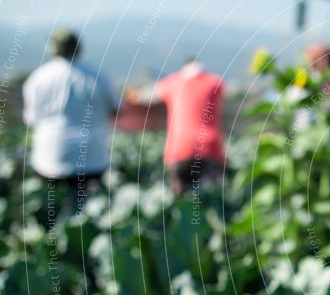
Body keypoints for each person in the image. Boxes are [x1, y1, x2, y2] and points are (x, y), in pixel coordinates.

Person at [22, 29, 118, 224]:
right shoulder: (98, 76)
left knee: (52, 218)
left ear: (52, 50)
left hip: (50, 157)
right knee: (88, 219)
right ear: (79, 49)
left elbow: (31, 119)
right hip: (92, 157)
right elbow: (117, 110)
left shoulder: (38, 78)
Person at [128, 58, 226, 195]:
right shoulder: (215, 83)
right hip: (208, 147)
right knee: (210, 197)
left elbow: (144, 97)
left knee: (179, 198)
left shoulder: (172, 82)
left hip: (179, 148)